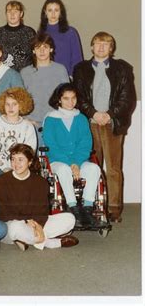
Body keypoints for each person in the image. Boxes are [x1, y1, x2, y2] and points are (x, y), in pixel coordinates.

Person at [73, 32, 136, 223]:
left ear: (111, 48)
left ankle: (114, 208)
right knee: (92, 167)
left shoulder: (122, 69)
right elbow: (78, 96)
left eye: (106, 44)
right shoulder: (81, 69)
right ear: (91, 47)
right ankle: (92, 205)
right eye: (97, 43)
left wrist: (109, 114)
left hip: (112, 124)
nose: (101, 47)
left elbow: (128, 98)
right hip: (89, 124)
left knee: (113, 168)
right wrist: (93, 113)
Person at [0, 143, 78, 251]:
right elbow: (6, 212)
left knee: (70, 219)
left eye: (20, 159)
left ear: (29, 162)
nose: (15, 164)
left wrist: (38, 225)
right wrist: (26, 220)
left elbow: (43, 211)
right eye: (13, 159)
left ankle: (29, 239)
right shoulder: (2, 180)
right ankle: (51, 243)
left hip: (36, 222)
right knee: (14, 228)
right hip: (15, 221)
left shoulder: (40, 182)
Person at [43, 83, 100, 227]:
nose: (71, 102)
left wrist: (76, 163)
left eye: (73, 98)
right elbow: (52, 146)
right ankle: (73, 206)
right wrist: (71, 163)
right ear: (59, 100)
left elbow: (85, 144)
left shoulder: (81, 118)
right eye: (66, 98)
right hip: (57, 161)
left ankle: (87, 207)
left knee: (94, 169)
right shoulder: (50, 119)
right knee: (63, 170)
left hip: (79, 161)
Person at [0, 87, 37, 180]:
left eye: (14, 104)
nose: (10, 108)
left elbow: (29, 152)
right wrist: (6, 168)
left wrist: (17, 167)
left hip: (21, 167)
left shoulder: (28, 126)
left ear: (21, 105)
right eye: (7, 104)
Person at [20, 33, 69, 128]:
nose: (42, 51)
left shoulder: (60, 69)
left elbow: (66, 97)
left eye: (45, 47)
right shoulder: (25, 72)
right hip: (31, 122)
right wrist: (25, 119)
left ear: (51, 49)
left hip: (56, 121)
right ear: (33, 51)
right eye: (38, 47)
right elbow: (21, 99)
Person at [38, 0, 83, 76]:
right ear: (45, 12)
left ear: (61, 12)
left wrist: (72, 77)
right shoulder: (40, 33)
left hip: (66, 77)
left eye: (56, 10)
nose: (53, 14)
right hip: (45, 75)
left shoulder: (71, 32)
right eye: (50, 10)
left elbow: (77, 59)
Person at [0, 0, 36, 71]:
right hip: (4, 74)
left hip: (25, 75)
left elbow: (35, 55)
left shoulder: (29, 32)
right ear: (6, 14)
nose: (12, 14)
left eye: (15, 11)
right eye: (9, 11)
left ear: (21, 14)